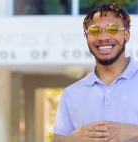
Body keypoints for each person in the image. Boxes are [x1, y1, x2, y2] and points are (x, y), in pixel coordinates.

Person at [52, 3, 138, 142]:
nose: (103, 37)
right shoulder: (71, 94)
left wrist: (132, 131)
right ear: (87, 38)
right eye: (94, 31)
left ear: (126, 35)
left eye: (112, 29)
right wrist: (74, 138)